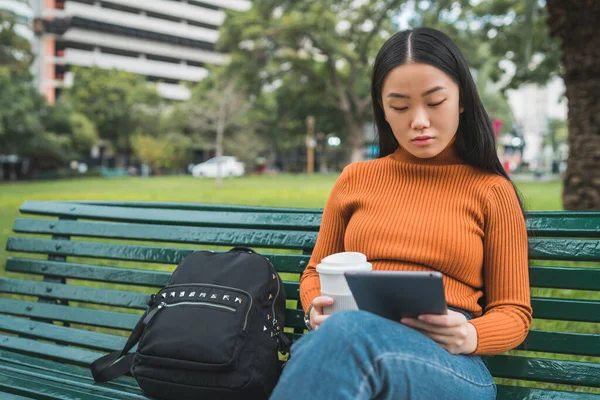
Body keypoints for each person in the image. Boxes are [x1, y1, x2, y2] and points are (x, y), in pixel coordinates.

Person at [270, 27, 531, 400]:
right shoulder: (355, 179)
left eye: (435, 102)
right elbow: (315, 271)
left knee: (345, 340)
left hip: (448, 362)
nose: (419, 121)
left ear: (461, 100)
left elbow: (513, 311)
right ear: (383, 110)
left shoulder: (490, 191)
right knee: (344, 339)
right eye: (400, 106)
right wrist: (316, 308)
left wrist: (470, 334)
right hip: (352, 339)